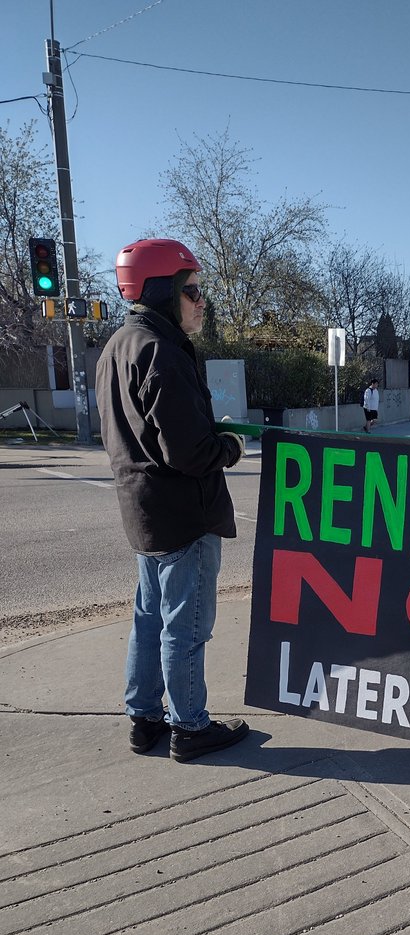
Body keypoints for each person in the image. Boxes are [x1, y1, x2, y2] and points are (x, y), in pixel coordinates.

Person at [95, 238, 250, 762]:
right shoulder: (162, 351)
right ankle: (190, 727)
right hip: (184, 513)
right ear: (163, 292)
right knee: (185, 625)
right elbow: (189, 452)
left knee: (149, 618)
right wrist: (228, 446)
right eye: (193, 290)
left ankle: (144, 719)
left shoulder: (119, 345)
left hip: (141, 511)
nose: (201, 301)